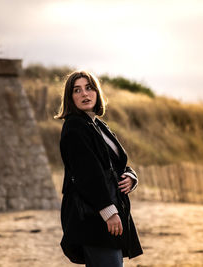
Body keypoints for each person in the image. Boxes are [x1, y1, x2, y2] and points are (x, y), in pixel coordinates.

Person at [55, 70, 143, 266]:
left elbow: (116, 163)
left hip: (108, 209)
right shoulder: (74, 127)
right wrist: (108, 212)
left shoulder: (98, 125)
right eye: (77, 90)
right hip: (93, 215)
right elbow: (87, 174)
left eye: (89, 88)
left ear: (97, 92)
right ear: (70, 98)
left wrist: (131, 176)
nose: (84, 94)